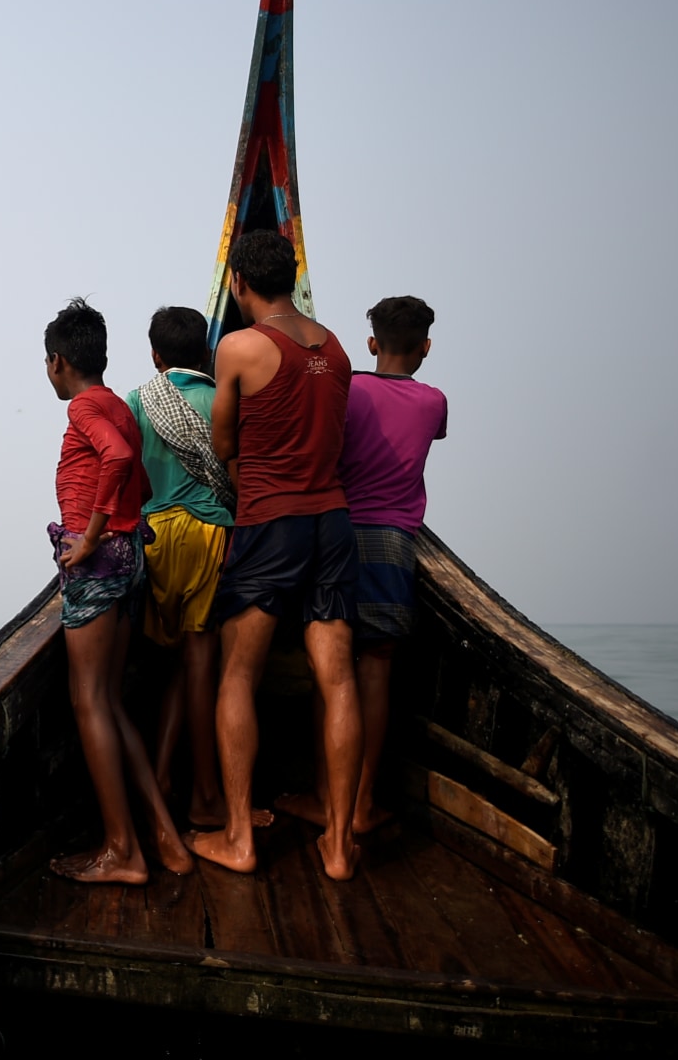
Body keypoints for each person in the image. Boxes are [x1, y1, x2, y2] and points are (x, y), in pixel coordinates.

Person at [186, 230, 359, 881]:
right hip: (332, 523)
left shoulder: (238, 346)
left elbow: (224, 441)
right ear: (292, 277)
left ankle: (238, 837)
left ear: (239, 286)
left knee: (237, 676)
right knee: (337, 680)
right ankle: (340, 848)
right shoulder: (336, 348)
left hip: (269, 525)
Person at [43, 297, 192, 884]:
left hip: (99, 563)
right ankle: (163, 836)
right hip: (128, 562)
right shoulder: (118, 403)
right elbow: (144, 475)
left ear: (58, 361)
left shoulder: (84, 407)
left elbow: (120, 457)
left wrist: (90, 538)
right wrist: (123, 526)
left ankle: (121, 851)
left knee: (88, 702)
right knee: (109, 702)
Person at [331, 296, 446, 834]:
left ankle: (327, 799)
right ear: (425, 347)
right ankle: (361, 804)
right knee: (375, 669)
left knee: (332, 674)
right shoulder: (434, 402)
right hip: (393, 545)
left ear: (371, 343)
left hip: (335, 534)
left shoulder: (347, 390)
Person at [125, 306, 236, 829]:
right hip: (207, 533)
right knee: (200, 665)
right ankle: (207, 796)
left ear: (155, 355)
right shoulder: (220, 399)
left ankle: (165, 775)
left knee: (171, 665)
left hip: (153, 537)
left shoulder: (136, 402)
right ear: (207, 354)